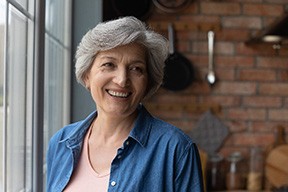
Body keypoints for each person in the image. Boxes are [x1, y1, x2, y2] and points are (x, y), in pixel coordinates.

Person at [46, 16, 204, 192]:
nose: (122, 80)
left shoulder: (176, 149)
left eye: (136, 68)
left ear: (147, 82)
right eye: (109, 64)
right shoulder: (60, 143)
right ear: (87, 75)